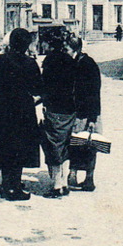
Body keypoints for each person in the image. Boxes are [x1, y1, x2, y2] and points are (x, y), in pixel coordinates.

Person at [0, 28, 43, 201]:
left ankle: (6, 184)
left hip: (3, 109)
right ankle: (15, 188)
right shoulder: (30, 63)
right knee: (20, 149)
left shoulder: (1, 60)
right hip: (23, 110)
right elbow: (37, 88)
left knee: (5, 146)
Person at [39, 31, 76, 198]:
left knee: (53, 145)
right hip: (70, 109)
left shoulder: (49, 61)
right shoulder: (69, 60)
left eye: (44, 43)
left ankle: (57, 185)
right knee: (66, 144)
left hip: (54, 109)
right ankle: (65, 182)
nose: (42, 46)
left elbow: (44, 86)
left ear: (50, 44)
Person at [67, 35, 102, 192]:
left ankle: (89, 179)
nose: (66, 52)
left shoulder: (89, 65)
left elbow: (95, 92)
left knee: (89, 145)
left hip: (88, 114)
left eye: (67, 49)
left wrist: (93, 118)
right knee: (75, 145)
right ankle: (73, 176)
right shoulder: (73, 63)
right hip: (77, 112)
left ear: (76, 49)